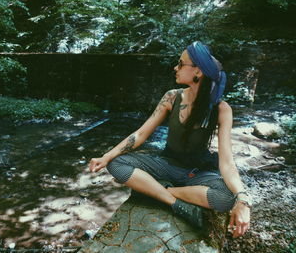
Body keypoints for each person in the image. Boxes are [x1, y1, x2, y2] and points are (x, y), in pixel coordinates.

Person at [88, 41, 251, 238]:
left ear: (198, 71)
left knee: (226, 198)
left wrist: (242, 199)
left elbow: (226, 162)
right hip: (165, 164)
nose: (176, 67)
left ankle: (157, 191)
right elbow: (140, 135)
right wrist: (106, 156)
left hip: (196, 173)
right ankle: (174, 202)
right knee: (116, 164)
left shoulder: (222, 109)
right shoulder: (171, 97)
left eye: (181, 64)